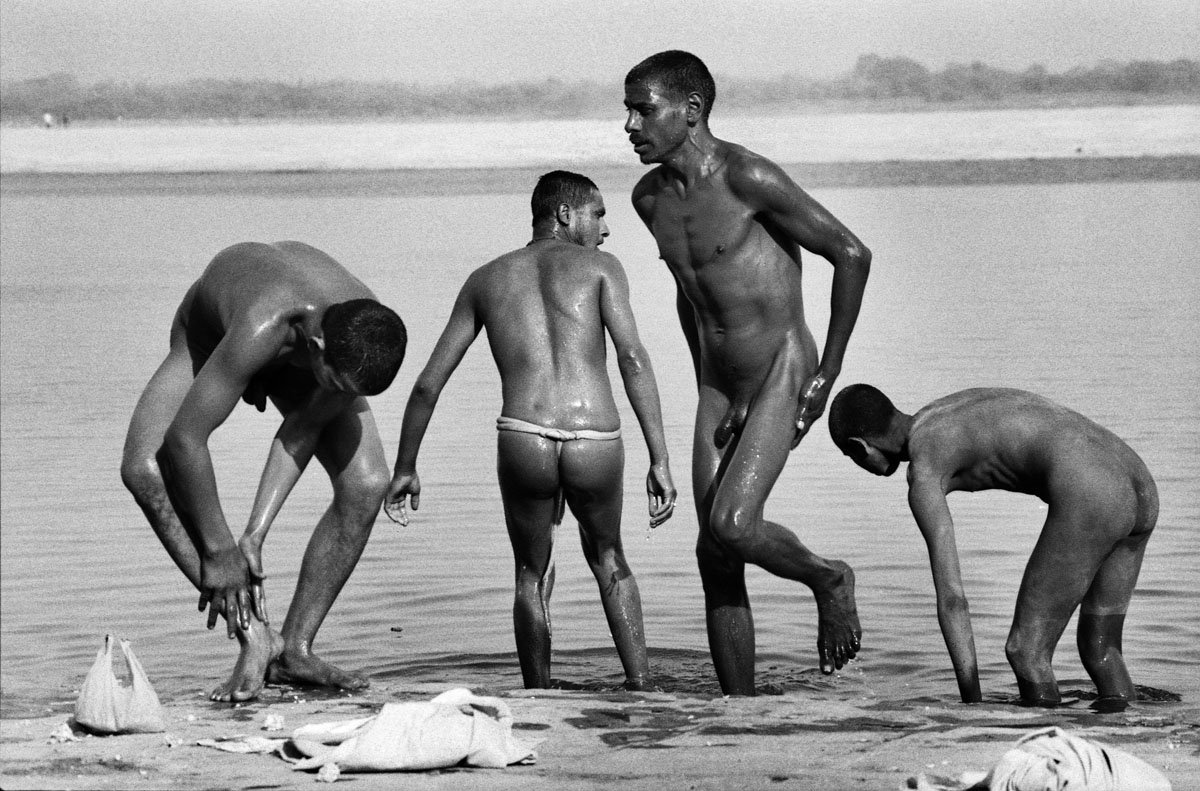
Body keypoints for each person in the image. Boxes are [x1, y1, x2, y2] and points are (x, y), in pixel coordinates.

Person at [623, 50, 870, 694]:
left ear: (691, 110)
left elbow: (851, 253)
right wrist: (708, 377)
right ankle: (738, 712)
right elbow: (691, 291)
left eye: (644, 110)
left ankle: (829, 578)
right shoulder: (647, 199)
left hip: (783, 366)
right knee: (714, 553)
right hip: (718, 380)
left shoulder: (747, 177)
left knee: (733, 523)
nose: (630, 125)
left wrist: (826, 376)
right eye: (628, 110)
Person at [385, 171, 677, 690]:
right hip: (595, 438)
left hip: (524, 435)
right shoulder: (603, 269)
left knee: (530, 572)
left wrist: (405, 466)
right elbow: (632, 358)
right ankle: (642, 688)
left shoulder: (486, 279)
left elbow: (429, 383)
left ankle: (538, 697)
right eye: (598, 214)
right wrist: (660, 458)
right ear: (565, 214)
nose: (605, 229)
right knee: (609, 556)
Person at [120, 241, 407, 702]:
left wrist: (254, 534)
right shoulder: (265, 324)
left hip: (298, 353)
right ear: (318, 348)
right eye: (337, 385)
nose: (341, 396)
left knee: (367, 484)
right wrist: (219, 551)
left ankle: (294, 652)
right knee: (144, 469)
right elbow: (184, 441)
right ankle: (255, 637)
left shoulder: (363, 328)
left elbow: (303, 428)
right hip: (216, 337)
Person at [828, 385, 1159, 708]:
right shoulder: (940, 411)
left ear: (860, 446)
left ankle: (1046, 741)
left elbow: (953, 600)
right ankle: (1134, 731)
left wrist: (972, 705)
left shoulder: (924, 468)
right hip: (1139, 482)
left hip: (1094, 494)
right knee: (1100, 649)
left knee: (1027, 652)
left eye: (851, 456)